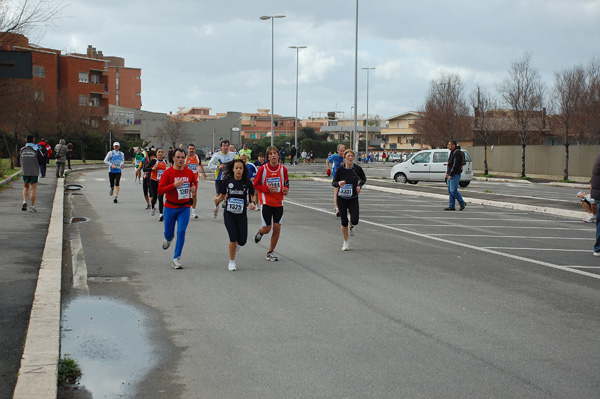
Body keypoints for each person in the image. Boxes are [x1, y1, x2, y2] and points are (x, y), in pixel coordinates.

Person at [214, 159, 257, 271]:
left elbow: (253, 195)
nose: (238, 170)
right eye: (236, 168)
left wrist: (253, 202)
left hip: (241, 214)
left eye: (240, 168)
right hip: (229, 214)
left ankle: (237, 244)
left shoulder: (247, 182)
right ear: (233, 169)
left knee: (242, 241)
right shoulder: (227, 181)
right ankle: (232, 261)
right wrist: (217, 200)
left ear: (244, 170)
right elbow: (222, 195)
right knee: (233, 238)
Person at [158, 148, 197, 269]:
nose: (180, 160)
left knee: (181, 231)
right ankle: (169, 239)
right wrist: (173, 185)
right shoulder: (168, 173)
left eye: (182, 157)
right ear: (173, 158)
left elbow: (193, 184)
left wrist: (193, 189)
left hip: (184, 207)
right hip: (170, 206)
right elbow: (160, 190)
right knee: (169, 233)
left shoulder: (189, 172)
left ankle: (176, 258)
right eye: (178, 157)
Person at [253, 146, 289, 261]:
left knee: (277, 227)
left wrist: (286, 189)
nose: (273, 155)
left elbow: (286, 184)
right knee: (267, 228)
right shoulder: (263, 169)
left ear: (278, 156)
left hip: (278, 202)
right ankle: (260, 232)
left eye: (275, 153)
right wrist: (267, 189)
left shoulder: (283, 170)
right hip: (266, 202)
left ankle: (270, 252)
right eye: (271, 154)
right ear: (268, 157)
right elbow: (256, 185)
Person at [332, 149, 367, 251]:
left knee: (355, 220)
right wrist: (338, 183)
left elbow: (364, 179)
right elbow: (333, 182)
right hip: (342, 198)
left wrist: (359, 186)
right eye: (348, 156)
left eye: (352, 156)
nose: (350, 158)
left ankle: (352, 226)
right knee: (344, 221)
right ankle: (345, 242)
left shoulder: (357, 169)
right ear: (345, 158)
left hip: (353, 198)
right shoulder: (340, 170)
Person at [208, 139, 239, 217]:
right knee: (219, 195)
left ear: (229, 146)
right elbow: (209, 166)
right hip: (220, 178)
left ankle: (229, 212)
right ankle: (216, 206)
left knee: (230, 194)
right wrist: (218, 167)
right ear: (221, 147)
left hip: (230, 178)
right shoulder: (217, 155)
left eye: (227, 146)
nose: (225, 147)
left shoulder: (232, 155)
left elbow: (238, 163)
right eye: (224, 146)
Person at [19, 135, 41, 212]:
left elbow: (20, 160)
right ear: (33, 141)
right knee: (33, 189)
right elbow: (41, 160)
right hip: (34, 171)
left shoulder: (22, 149)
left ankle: (24, 201)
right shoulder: (36, 149)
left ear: (26, 141)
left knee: (25, 187)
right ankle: (32, 206)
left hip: (25, 171)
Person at [185, 144, 207, 219]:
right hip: (186, 180)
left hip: (195, 179)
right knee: (186, 196)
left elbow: (200, 164)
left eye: (193, 149)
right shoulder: (185, 157)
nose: (191, 150)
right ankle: (185, 210)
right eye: (190, 148)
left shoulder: (197, 157)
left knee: (194, 195)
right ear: (187, 149)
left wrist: (203, 172)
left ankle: (193, 211)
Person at [444, 141, 467, 211]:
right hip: (451, 173)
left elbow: (455, 164)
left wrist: (451, 174)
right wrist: (447, 173)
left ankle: (462, 202)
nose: (448, 146)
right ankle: (451, 205)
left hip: (455, 174)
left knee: (453, 190)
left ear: (453, 145)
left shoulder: (457, 153)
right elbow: (450, 164)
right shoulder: (452, 152)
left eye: (449, 145)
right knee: (450, 190)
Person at [147, 149, 168, 220]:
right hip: (153, 181)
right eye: (159, 152)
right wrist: (152, 169)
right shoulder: (154, 161)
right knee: (155, 198)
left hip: (161, 182)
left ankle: (161, 214)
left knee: (161, 198)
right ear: (156, 153)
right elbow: (145, 169)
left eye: (162, 152)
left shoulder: (165, 161)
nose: (160, 153)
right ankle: (152, 206)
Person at [327, 144, 346, 216]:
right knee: (336, 191)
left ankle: (343, 206)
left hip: (343, 176)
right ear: (338, 151)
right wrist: (328, 168)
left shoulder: (345, 157)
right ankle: (337, 208)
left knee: (343, 191)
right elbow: (327, 160)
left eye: (343, 151)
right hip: (335, 176)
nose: (342, 152)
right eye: (341, 151)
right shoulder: (335, 156)